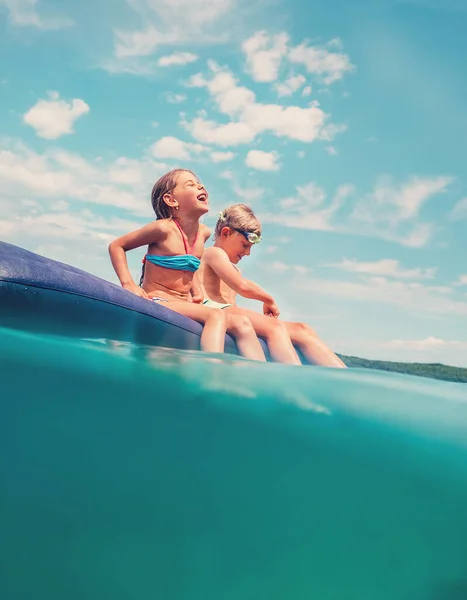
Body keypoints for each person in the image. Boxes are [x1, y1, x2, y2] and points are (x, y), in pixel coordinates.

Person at [108, 170, 266, 362]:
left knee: (242, 323)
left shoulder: (203, 233)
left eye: (199, 183)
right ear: (171, 200)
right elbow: (117, 246)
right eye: (190, 184)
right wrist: (129, 285)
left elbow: (190, 267)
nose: (200, 186)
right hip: (160, 299)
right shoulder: (163, 229)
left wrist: (197, 293)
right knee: (216, 316)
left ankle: (259, 375)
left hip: (184, 302)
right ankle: (211, 371)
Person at [198, 204, 346, 367]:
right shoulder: (213, 253)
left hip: (230, 314)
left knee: (303, 329)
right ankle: (294, 378)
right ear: (226, 232)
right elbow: (243, 286)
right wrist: (268, 300)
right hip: (215, 311)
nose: (247, 253)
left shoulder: (233, 267)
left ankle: (344, 377)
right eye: (245, 245)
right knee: (275, 327)